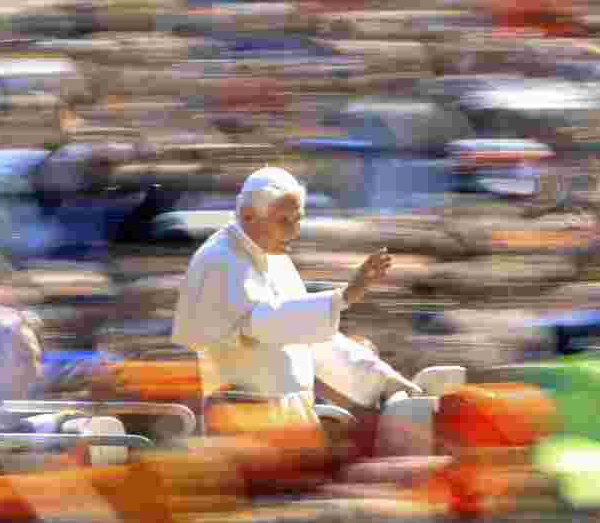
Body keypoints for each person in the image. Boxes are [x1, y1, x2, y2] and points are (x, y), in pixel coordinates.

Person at [172, 166, 421, 433]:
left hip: (290, 420)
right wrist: (343, 297)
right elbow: (262, 323)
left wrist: (383, 381)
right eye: (285, 221)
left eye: (298, 219)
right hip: (245, 425)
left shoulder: (275, 259)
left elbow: (311, 337)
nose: (294, 232)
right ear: (248, 216)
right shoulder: (219, 260)